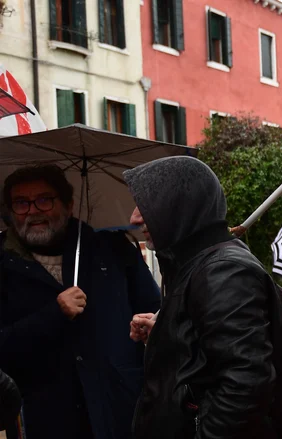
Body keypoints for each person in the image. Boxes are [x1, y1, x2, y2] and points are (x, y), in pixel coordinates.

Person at [0, 165, 161, 439]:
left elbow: (156, 314)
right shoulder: (3, 265)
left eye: (44, 199)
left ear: (69, 205)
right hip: (42, 419)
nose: (33, 211)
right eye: (21, 203)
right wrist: (54, 313)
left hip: (119, 410)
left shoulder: (113, 249)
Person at [125, 156, 277, 439]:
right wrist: (165, 332)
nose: (134, 217)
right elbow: (207, 350)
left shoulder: (223, 271)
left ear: (180, 205)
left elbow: (246, 381)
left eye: (147, 204)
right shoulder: (193, 263)